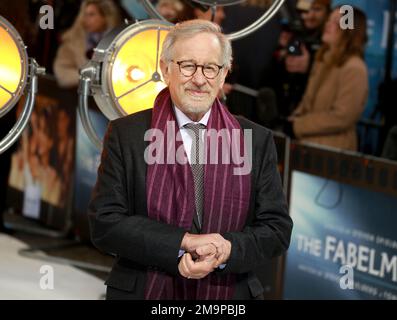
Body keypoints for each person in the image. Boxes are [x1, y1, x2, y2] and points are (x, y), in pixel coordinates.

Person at [88, 20, 292, 300]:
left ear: (223, 75)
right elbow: (105, 223)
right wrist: (183, 243)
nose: (199, 79)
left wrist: (225, 249)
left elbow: (276, 230)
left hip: (227, 297)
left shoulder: (255, 140)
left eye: (210, 68)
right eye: (187, 66)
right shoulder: (127, 134)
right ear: (165, 69)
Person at [287, 7, 368, 151]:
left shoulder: (354, 68)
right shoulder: (322, 60)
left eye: (336, 22)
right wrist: (295, 117)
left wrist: (298, 125)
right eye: (329, 20)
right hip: (304, 145)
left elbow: (342, 117)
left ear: (350, 31)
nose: (328, 25)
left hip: (331, 154)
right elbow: (307, 101)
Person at [53, 0, 122, 88]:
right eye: (85, 15)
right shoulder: (73, 42)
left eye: (91, 15)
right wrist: (92, 77)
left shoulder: (120, 43)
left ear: (105, 17)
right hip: (82, 96)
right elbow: (62, 73)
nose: (85, 20)